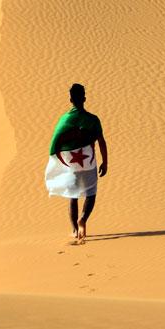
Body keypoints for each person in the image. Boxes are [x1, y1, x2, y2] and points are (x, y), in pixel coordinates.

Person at [43, 82, 108, 244]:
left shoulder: (65, 119)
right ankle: (83, 219)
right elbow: (101, 141)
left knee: (73, 196)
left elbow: (55, 141)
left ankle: (74, 230)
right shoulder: (93, 119)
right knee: (91, 193)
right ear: (84, 99)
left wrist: (56, 161)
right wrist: (105, 162)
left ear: (70, 99)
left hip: (71, 164)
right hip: (88, 162)